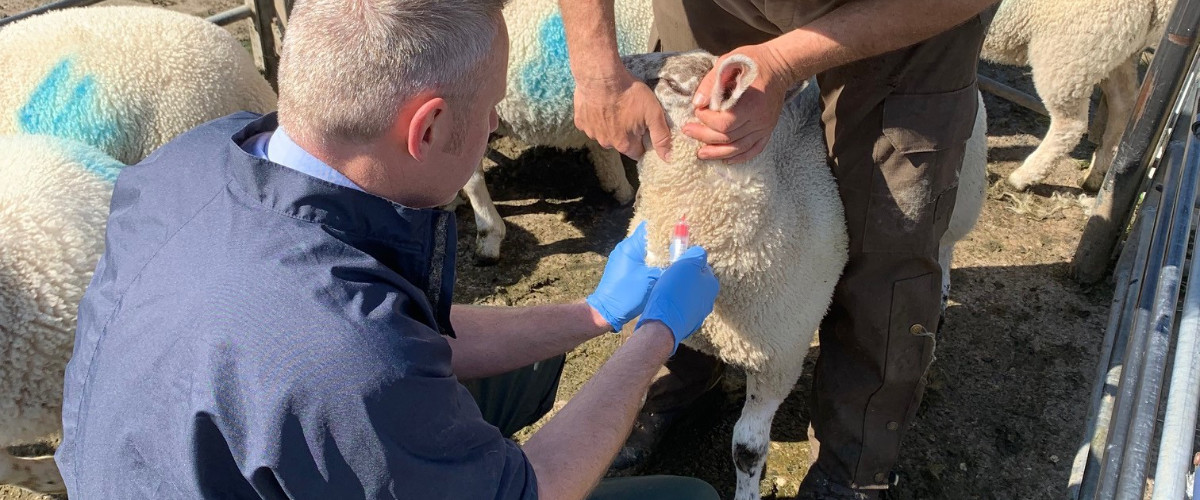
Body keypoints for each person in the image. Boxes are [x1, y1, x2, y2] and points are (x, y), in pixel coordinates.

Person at [55, 1, 722, 499]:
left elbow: (395, 334)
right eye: (490, 107)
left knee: (522, 372)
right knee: (684, 498)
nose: (495, 125)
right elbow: (528, 491)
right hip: (293, 412)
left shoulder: (198, 159)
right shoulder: (339, 352)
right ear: (427, 126)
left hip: (174, 456)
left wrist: (596, 313)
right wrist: (654, 336)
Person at [559, 0, 999, 498]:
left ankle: (851, 464)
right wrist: (596, 68)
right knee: (689, 181)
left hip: (899, 16)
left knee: (888, 229)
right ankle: (679, 376)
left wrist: (783, 63)